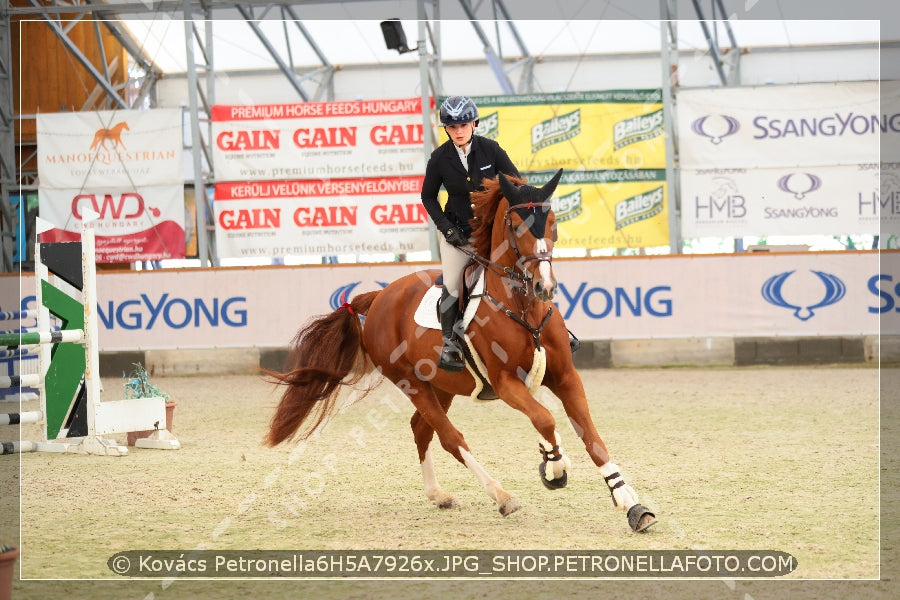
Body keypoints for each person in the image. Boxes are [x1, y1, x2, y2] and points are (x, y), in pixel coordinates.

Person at [421, 95, 520, 372]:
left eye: (464, 124)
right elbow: (428, 197)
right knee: (453, 284)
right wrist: (447, 228)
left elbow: (515, 183)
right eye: (452, 127)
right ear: (446, 130)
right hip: (459, 235)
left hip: (492, 233)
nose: (459, 130)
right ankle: (450, 343)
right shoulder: (439, 158)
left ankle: (555, 331)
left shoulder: (491, 150)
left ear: (474, 123)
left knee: (525, 270)